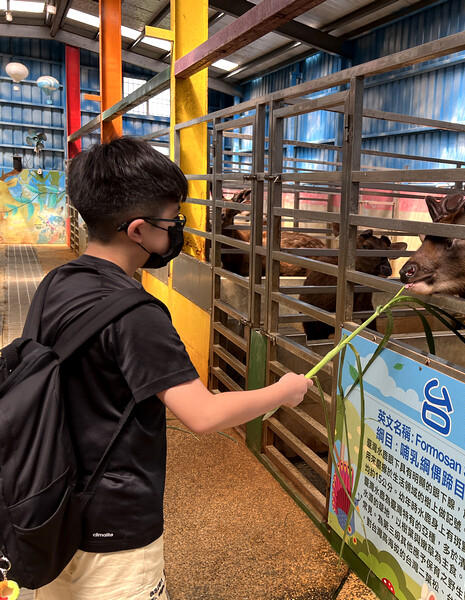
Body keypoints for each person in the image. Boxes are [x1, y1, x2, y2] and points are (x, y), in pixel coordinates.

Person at [32, 137, 312, 600]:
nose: (178, 231)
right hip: (112, 529)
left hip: (50, 504)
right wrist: (283, 391)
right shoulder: (136, 314)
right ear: (138, 230)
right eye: (173, 221)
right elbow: (201, 414)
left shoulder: (57, 283)